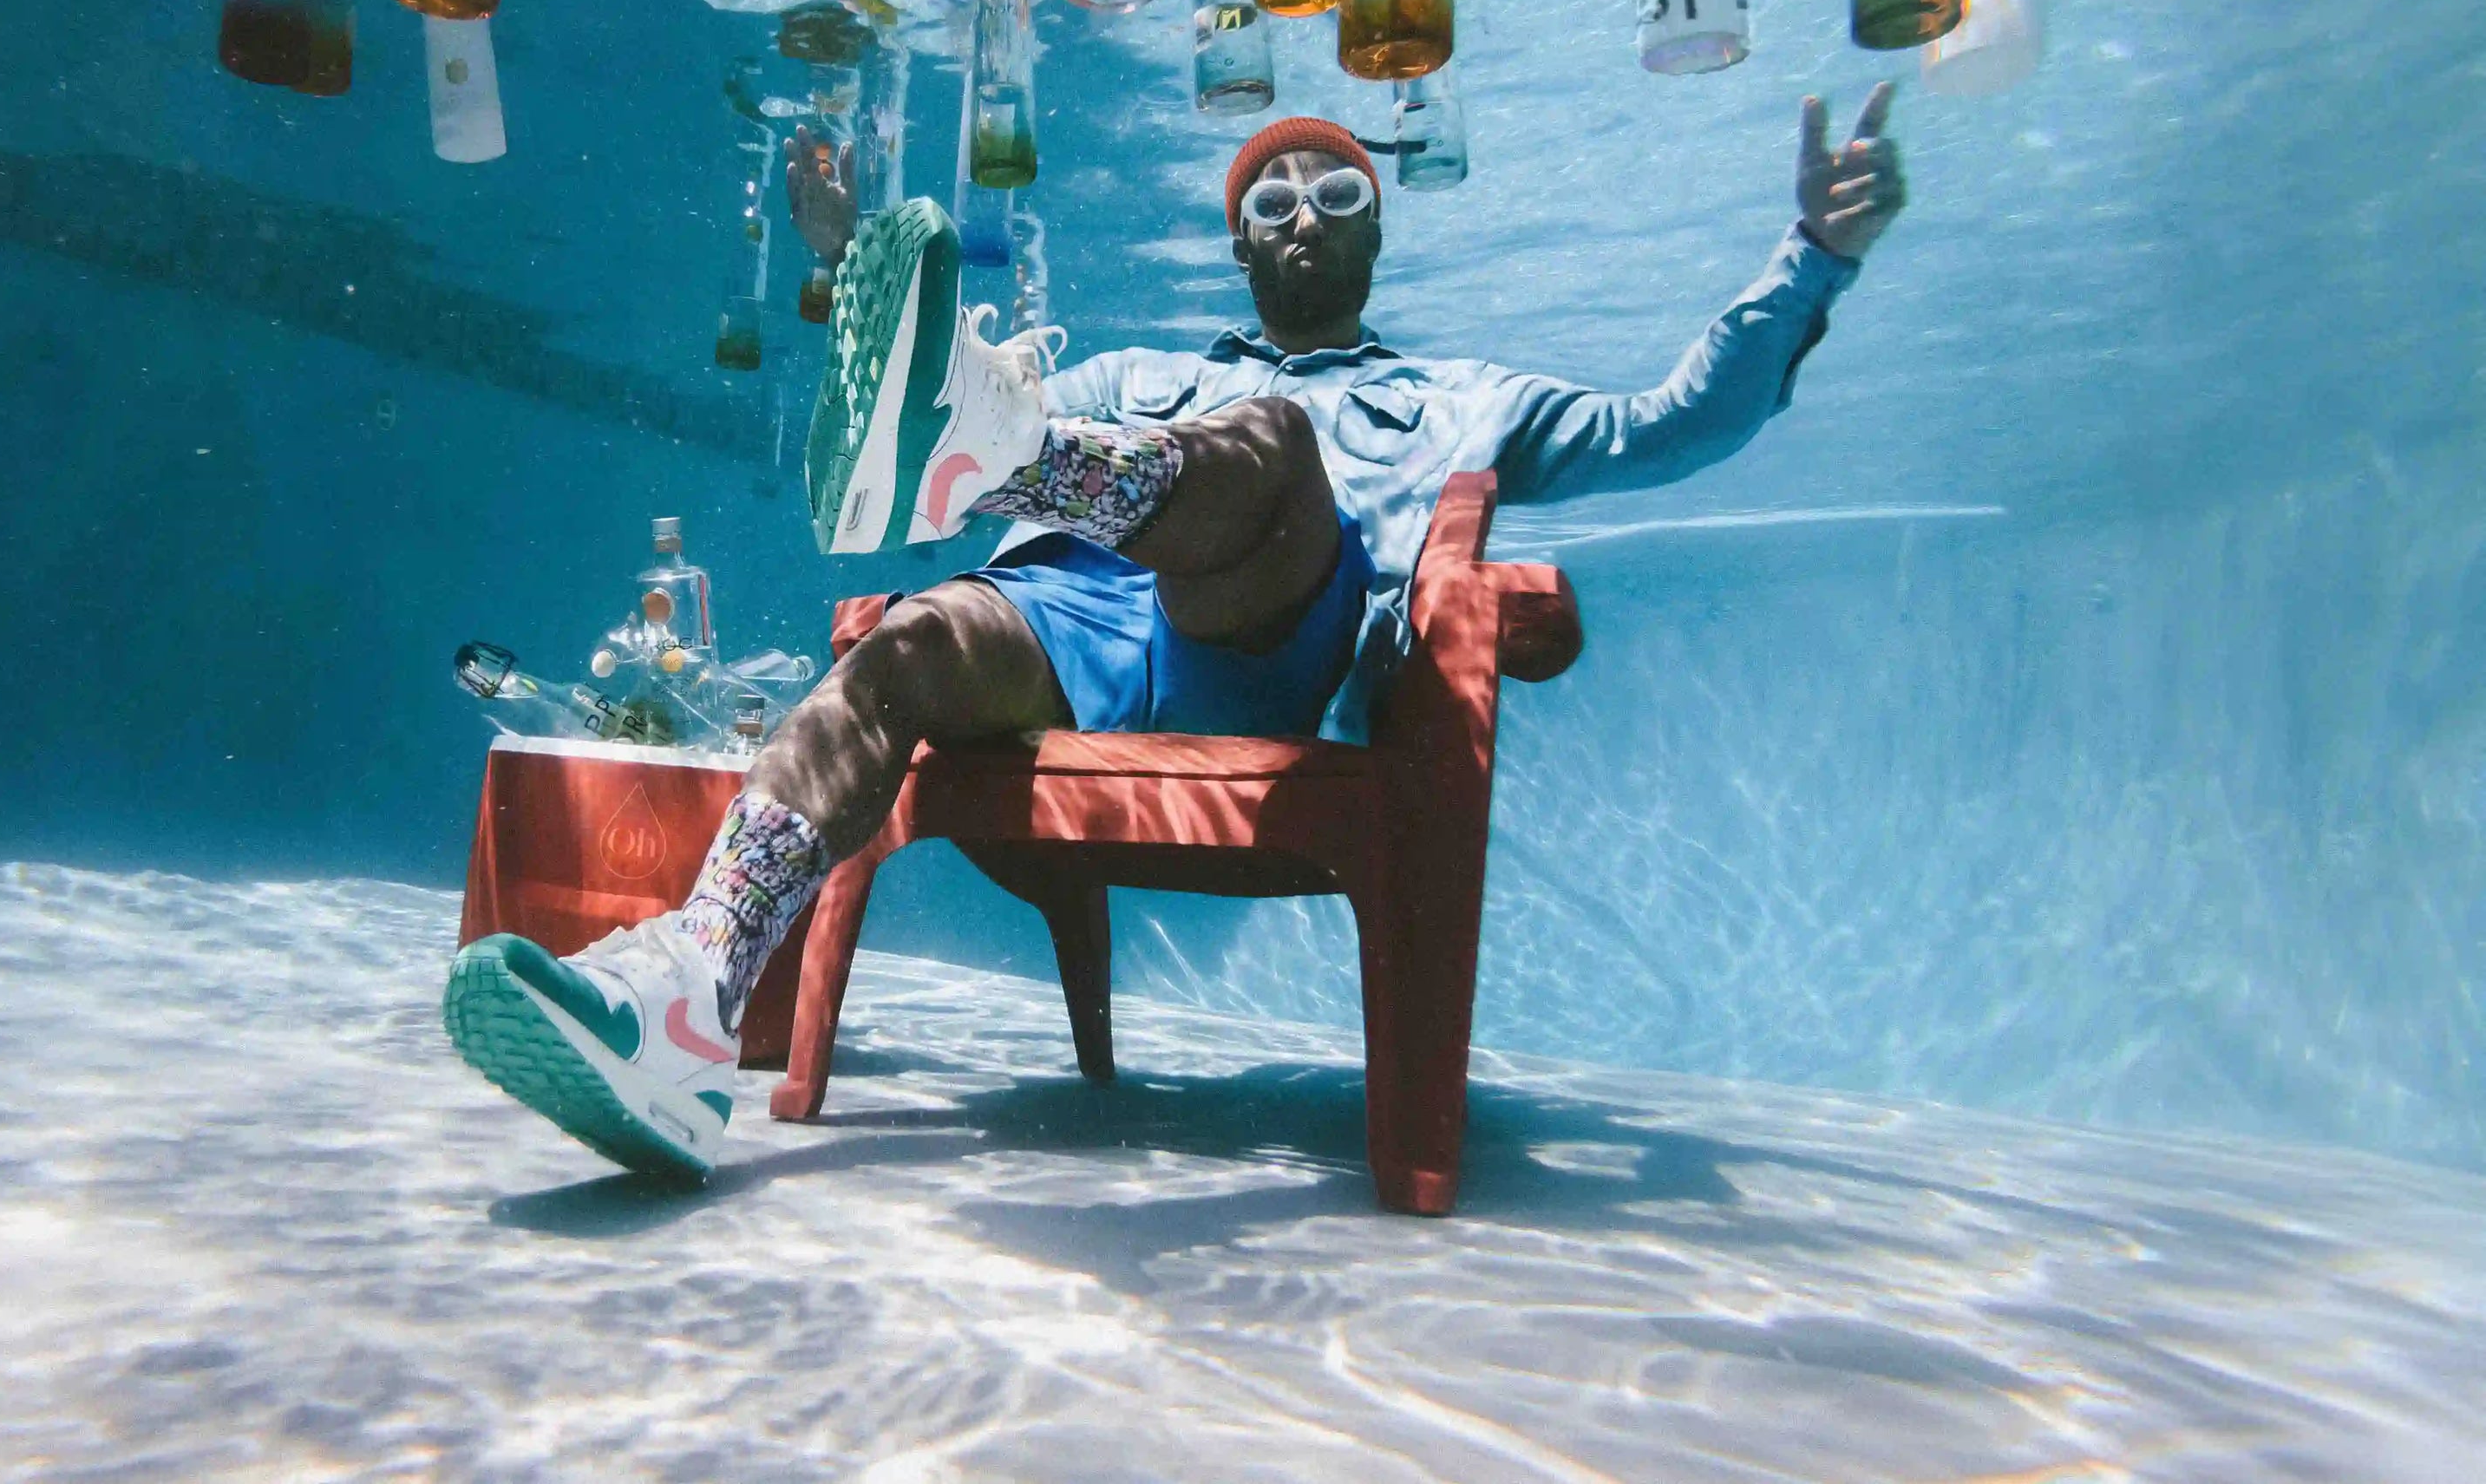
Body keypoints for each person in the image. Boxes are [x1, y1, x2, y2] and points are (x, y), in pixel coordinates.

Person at [442, 86, 1911, 1180]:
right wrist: (842, 252)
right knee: (882, 666)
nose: (1300, 217)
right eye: (1270, 201)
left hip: (1259, 638)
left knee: (1265, 440)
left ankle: (1006, 459)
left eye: (1333, 192)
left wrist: (1815, 258)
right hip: (1070, 620)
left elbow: (1674, 424)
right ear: (1239, 243)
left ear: (1375, 226)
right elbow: (921, 360)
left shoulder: (1464, 394)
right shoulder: (1143, 363)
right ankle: (691, 997)